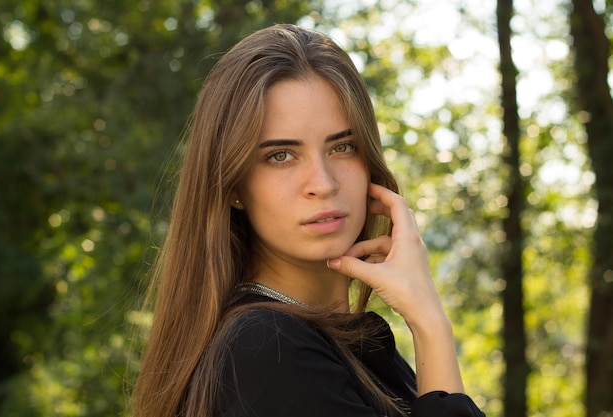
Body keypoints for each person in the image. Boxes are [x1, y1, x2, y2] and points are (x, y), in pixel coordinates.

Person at [131, 24, 485, 417]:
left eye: (342, 147)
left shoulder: (341, 345)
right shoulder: (268, 350)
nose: (323, 183)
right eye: (281, 155)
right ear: (232, 185)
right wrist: (431, 325)